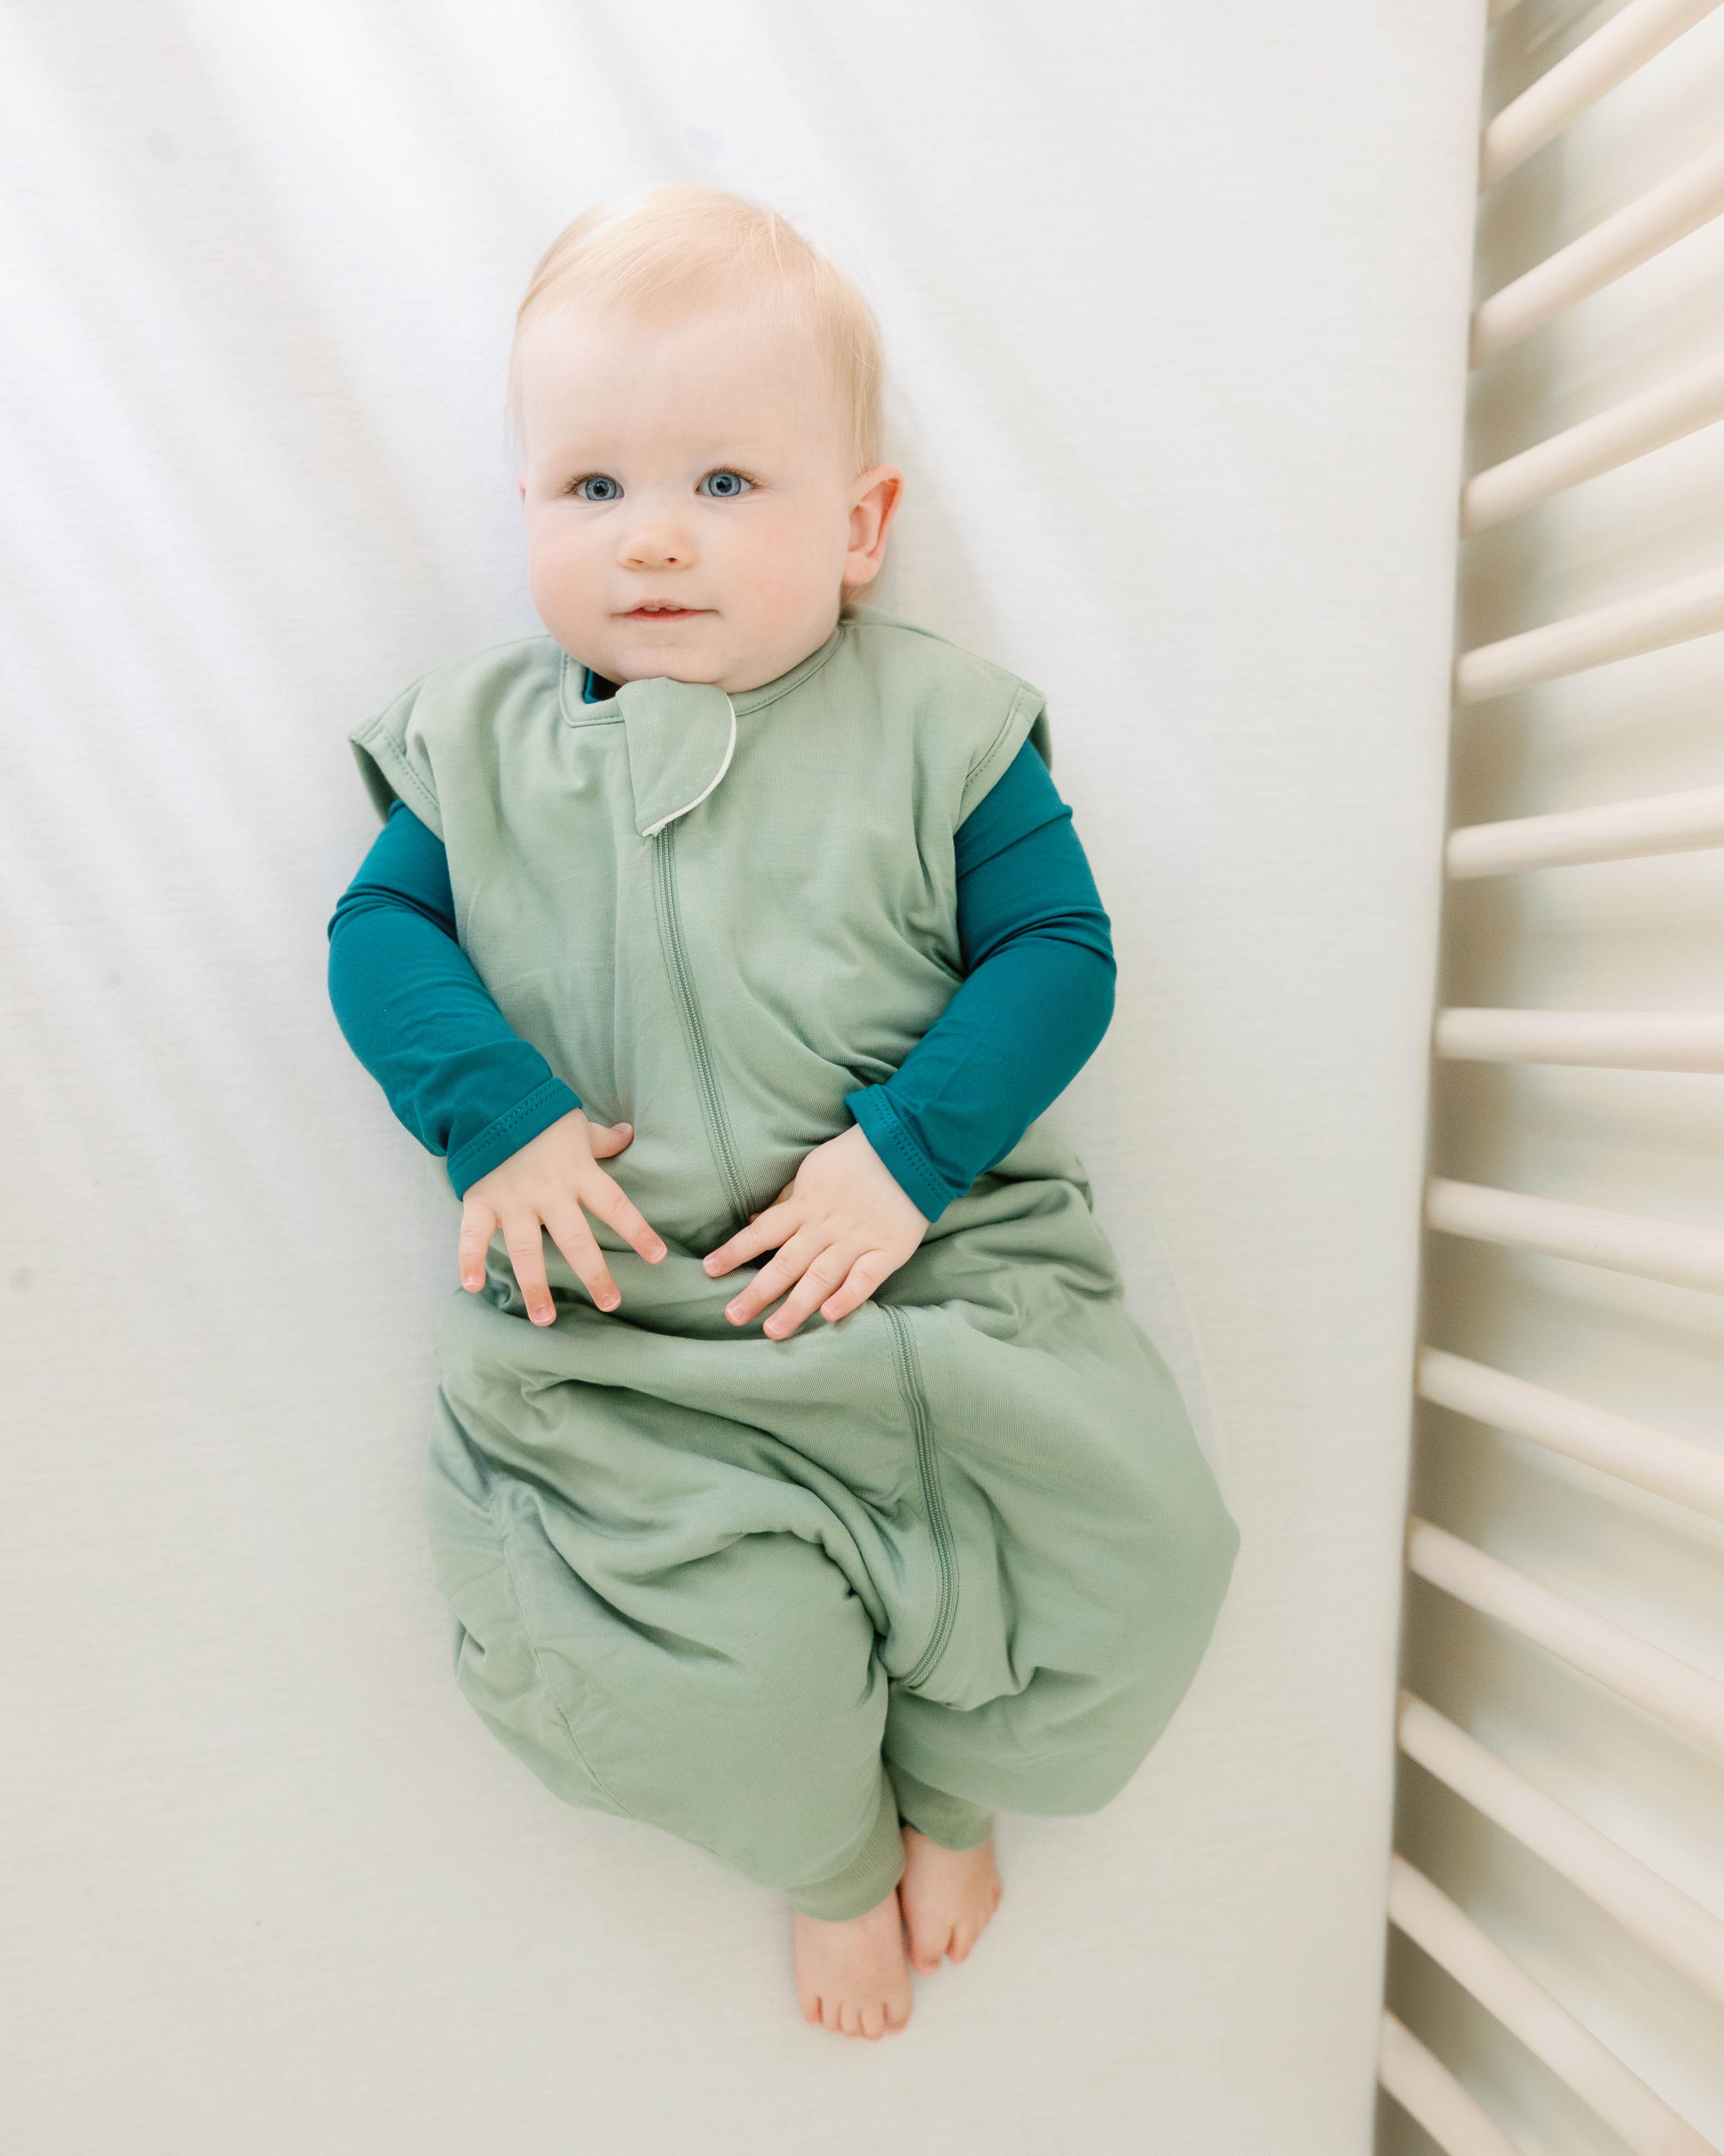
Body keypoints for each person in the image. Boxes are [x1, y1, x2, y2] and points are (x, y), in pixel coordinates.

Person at [326, 184, 1238, 2042]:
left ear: (862, 529)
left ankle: (959, 1783)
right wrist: (487, 1115)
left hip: (931, 1299)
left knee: (1139, 1555)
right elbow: (377, 934)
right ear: (525, 513)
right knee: (688, 1675)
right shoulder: (474, 748)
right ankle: (826, 1851)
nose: (652, 538)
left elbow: (1056, 953)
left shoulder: (938, 730)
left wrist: (905, 1156)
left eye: (726, 484)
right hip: (631, 1346)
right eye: (591, 489)